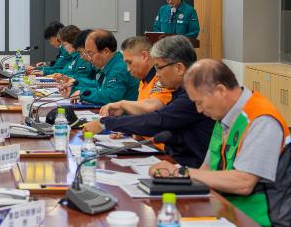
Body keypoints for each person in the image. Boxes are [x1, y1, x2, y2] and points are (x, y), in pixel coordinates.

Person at [151, 59, 291, 227]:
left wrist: (181, 172)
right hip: (226, 216)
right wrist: (169, 179)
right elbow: (206, 169)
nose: (198, 110)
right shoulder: (224, 118)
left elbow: (243, 182)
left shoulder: (262, 120)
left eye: (199, 102)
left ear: (220, 91)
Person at [84, 36, 213, 168]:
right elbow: (171, 127)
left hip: (188, 168)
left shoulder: (192, 97)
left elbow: (159, 119)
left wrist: (106, 123)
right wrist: (133, 129)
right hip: (174, 162)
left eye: (159, 67)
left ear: (179, 68)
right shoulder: (180, 91)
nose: (157, 74)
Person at [98, 36, 173, 118]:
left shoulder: (162, 78)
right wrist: (124, 110)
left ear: (144, 56)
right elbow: (143, 112)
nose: (128, 69)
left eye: (129, 62)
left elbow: (153, 106)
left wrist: (122, 104)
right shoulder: (143, 79)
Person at [60, 30, 137, 106]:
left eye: (91, 54)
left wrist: (82, 94)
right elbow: (99, 88)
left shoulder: (119, 67)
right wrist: (74, 89)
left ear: (106, 51)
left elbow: (112, 96)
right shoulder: (111, 65)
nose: (89, 58)